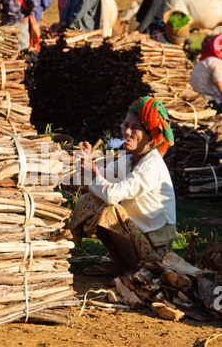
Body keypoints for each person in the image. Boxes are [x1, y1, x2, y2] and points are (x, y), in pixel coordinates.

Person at [70, 95, 177, 276]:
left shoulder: (152, 165)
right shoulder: (129, 160)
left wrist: (93, 172)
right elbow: (98, 184)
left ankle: (138, 269)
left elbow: (111, 195)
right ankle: (121, 264)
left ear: (151, 137)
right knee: (91, 200)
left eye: (135, 128)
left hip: (156, 252)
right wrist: (86, 162)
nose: (127, 132)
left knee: (109, 211)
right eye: (126, 125)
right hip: (138, 235)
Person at [189, 34, 222, 113]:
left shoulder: (202, 61)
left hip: (198, 99)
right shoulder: (215, 62)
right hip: (211, 102)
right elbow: (220, 84)